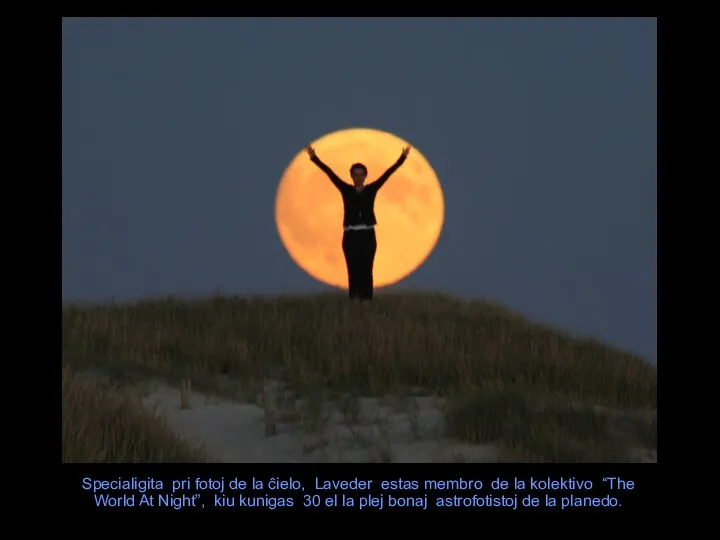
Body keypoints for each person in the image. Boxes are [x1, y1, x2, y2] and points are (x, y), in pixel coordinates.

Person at [306, 143, 411, 300]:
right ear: (351, 176)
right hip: (350, 236)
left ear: (365, 176)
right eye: (355, 174)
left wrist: (402, 158)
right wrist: (314, 158)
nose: (358, 177)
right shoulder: (345, 189)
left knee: (367, 269)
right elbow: (329, 173)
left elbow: (387, 174)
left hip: (368, 235)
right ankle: (354, 301)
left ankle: (367, 301)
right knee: (353, 270)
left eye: (361, 174)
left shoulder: (371, 189)